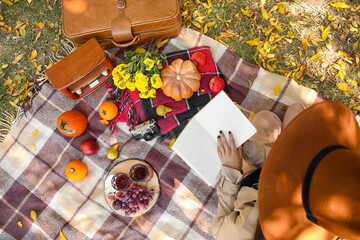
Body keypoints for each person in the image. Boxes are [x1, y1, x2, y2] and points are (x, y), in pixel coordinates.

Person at [212, 101, 360, 240]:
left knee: (266, 119)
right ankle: (283, 140)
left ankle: (282, 139)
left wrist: (231, 170)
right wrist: (250, 150)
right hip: (293, 164)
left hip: (256, 177)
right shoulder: (328, 218)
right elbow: (292, 163)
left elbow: (218, 226)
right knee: (292, 112)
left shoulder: (236, 234)